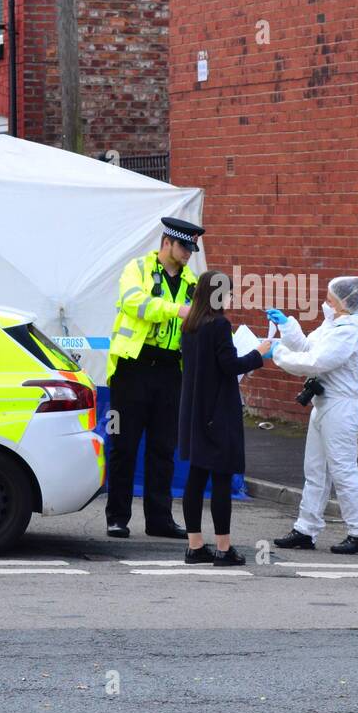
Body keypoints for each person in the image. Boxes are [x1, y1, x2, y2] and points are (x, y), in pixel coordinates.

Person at [104, 216, 203, 540]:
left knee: (163, 447)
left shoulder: (192, 282)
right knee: (124, 445)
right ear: (167, 243)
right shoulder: (137, 269)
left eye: (192, 247)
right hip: (132, 367)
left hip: (170, 371)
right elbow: (135, 303)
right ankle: (117, 518)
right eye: (184, 246)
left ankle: (159, 519)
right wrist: (176, 311)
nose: (189, 252)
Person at [265, 277, 358, 554]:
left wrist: (279, 354)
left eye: (329, 298)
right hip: (324, 403)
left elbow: (315, 362)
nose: (325, 302)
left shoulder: (347, 332)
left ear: (342, 303)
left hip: (341, 408)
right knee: (315, 470)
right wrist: (287, 327)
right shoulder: (332, 325)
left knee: (344, 470)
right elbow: (306, 347)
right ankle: (306, 528)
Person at [177, 270, 273, 566]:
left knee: (195, 477)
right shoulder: (219, 325)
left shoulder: (189, 325)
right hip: (218, 412)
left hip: (194, 410)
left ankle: (195, 546)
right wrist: (258, 353)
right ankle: (223, 548)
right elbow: (230, 366)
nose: (230, 298)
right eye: (228, 292)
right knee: (220, 478)